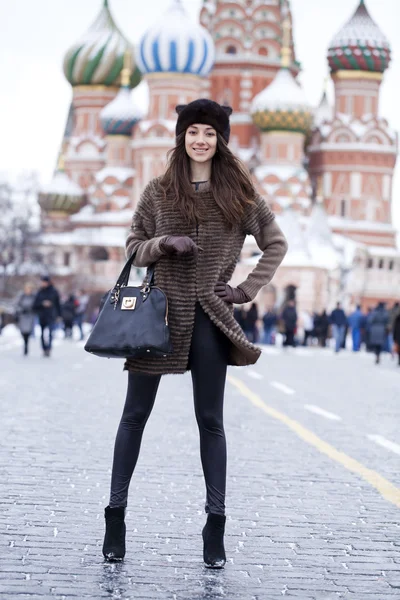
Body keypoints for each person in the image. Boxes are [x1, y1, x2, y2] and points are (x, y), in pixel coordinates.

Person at [101, 99, 288, 566]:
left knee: (211, 421)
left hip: (208, 314)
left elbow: (276, 243)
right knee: (133, 417)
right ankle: (115, 518)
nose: (200, 140)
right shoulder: (159, 190)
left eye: (209, 133)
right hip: (158, 315)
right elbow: (132, 248)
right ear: (181, 137)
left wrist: (244, 290)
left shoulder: (239, 194)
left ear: (220, 139)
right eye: (193, 132)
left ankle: (215, 526)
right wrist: (163, 243)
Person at [33, 275, 61, 357]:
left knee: (50, 333)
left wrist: (59, 315)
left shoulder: (54, 291)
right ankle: (44, 348)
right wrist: (42, 303)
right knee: (42, 333)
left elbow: (58, 304)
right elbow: (35, 304)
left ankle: (49, 348)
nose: (43, 284)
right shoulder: (40, 292)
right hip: (42, 315)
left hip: (51, 315)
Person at [15, 283, 36, 356]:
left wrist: (31, 310)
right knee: (23, 331)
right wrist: (21, 310)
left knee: (28, 331)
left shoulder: (33, 297)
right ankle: (25, 343)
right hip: (22, 316)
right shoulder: (21, 296)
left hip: (30, 316)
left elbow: (36, 306)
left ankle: (26, 345)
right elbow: (16, 305)